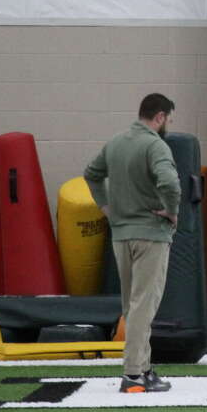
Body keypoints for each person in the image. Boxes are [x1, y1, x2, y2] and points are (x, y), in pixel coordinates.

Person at [84, 93, 181, 393]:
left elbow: (91, 174)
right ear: (160, 116)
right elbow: (170, 183)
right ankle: (133, 374)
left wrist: (105, 207)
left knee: (132, 305)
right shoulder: (155, 145)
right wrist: (172, 212)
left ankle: (145, 368)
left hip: (121, 234)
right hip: (150, 235)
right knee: (144, 305)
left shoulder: (116, 143)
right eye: (168, 119)